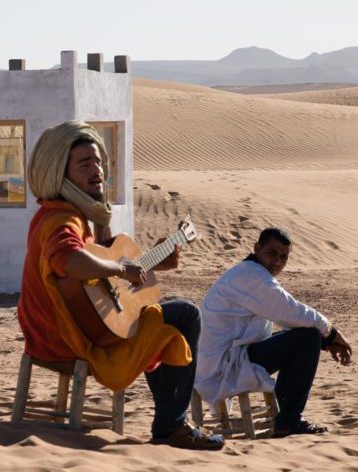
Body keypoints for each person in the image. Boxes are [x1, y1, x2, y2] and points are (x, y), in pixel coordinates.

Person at [17, 121, 223, 450]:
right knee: (184, 315)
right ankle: (171, 425)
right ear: (61, 173)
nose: (97, 170)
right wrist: (121, 268)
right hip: (66, 338)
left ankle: (171, 423)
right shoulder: (61, 220)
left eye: (98, 161)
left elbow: (100, 267)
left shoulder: (73, 216)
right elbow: (70, 261)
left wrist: (154, 261)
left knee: (152, 313)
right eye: (84, 164)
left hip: (63, 329)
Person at [194, 227, 352, 438]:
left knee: (307, 336)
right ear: (257, 248)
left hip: (231, 357)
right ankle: (288, 421)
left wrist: (326, 342)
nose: (277, 262)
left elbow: (289, 317)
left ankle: (286, 418)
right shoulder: (251, 276)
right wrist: (332, 334)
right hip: (224, 365)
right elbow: (291, 311)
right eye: (272, 253)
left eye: (284, 257)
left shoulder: (250, 273)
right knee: (307, 337)